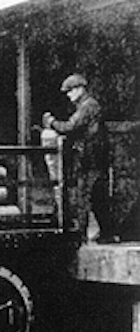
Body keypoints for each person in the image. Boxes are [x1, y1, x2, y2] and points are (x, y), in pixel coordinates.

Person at [42, 74, 116, 243]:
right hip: (93, 159)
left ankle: (82, 235)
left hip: (91, 160)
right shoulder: (88, 106)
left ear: (79, 89)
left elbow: (70, 127)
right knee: (97, 197)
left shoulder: (88, 106)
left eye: (70, 91)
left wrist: (51, 122)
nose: (68, 96)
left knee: (86, 196)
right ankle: (107, 234)